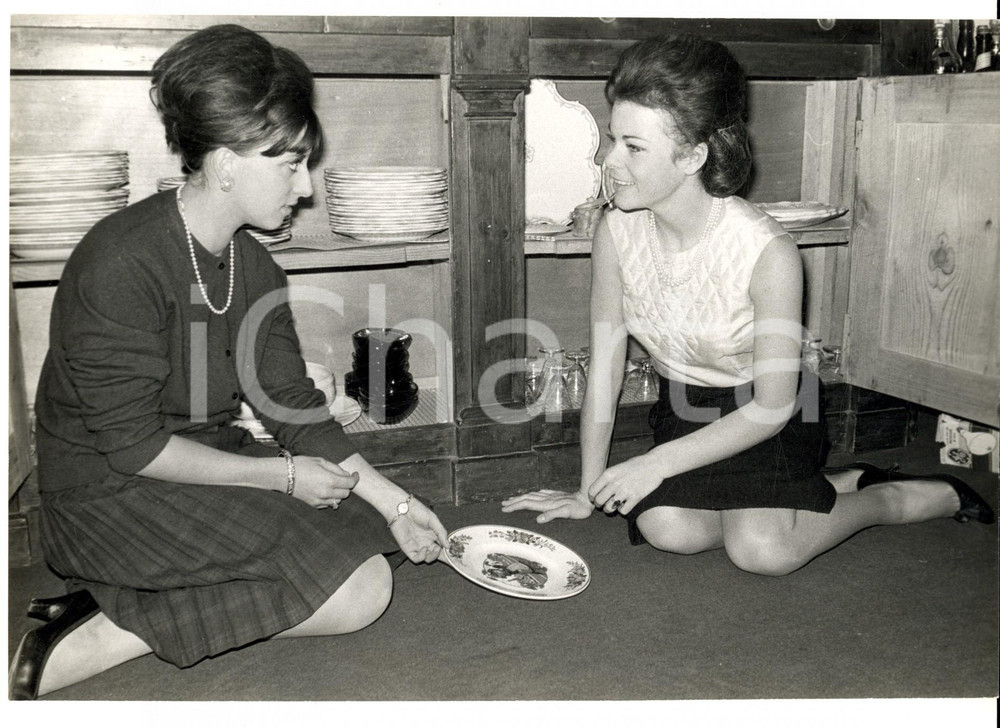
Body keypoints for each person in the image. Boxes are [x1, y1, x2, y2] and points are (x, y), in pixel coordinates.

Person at [9, 24, 449, 701]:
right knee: (357, 583)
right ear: (223, 165)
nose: (304, 187)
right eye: (289, 162)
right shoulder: (120, 260)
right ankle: (96, 637)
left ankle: (113, 603)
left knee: (367, 550)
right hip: (104, 495)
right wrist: (281, 476)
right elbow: (131, 449)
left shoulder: (256, 265)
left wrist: (397, 502)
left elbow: (294, 413)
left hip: (202, 465)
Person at [502, 34, 994, 574]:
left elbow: (773, 405)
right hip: (689, 408)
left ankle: (897, 498)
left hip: (772, 413)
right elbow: (606, 366)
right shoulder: (615, 232)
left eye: (633, 146)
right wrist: (586, 488)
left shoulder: (769, 252)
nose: (609, 162)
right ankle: (819, 487)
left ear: (692, 155)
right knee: (666, 528)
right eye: (613, 139)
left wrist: (654, 463)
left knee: (763, 551)